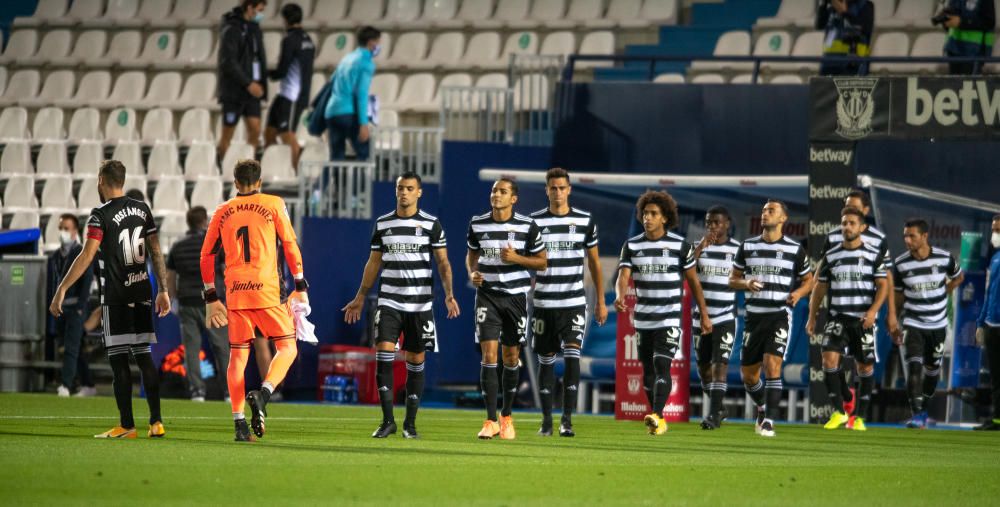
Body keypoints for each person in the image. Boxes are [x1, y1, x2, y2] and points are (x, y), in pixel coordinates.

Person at [49, 160, 171, 439]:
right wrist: (162, 289)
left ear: (102, 181)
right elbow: (155, 251)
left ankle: (127, 426)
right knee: (144, 358)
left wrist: (61, 288)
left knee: (118, 362)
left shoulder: (100, 214)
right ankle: (156, 422)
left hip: (115, 297)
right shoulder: (142, 209)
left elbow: (87, 255)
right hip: (141, 294)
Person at [342, 171, 460, 439]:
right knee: (383, 354)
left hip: (420, 305)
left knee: (415, 360)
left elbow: (443, 262)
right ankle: (387, 421)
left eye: (409, 188)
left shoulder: (431, 224)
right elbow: (374, 262)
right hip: (389, 301)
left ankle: (410, 423)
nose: (403, 192)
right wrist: (360, 297)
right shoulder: (383, 224)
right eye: (400, 188)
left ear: (419, 192)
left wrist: (449, 294)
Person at [200, 159, 309, 442]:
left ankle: (239, 426)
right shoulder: (273, 203)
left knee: (237, 356)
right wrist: (300, 283)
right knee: (287, 348)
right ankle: (264, 393)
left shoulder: (222, 211)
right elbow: (289, 245)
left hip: (236, 293)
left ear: (235, 182)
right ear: (259, 181)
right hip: (268, 290)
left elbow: (207, 255)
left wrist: (211, 296)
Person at [615, 191, 713, 436]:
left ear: (665, 218)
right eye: (645, 213)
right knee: (647, 372)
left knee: (662, 365)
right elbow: (623, 276)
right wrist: (619, 295)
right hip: (643, 318)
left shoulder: (680, 246)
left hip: (669, 317)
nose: (647, 218)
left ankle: (657, 415)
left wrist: (704, 313)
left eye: (653, 214)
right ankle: (658, 418)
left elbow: (694, 282)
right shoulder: (632, 245)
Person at [528, 168, 607, 437]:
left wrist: (601, 301)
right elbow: (526, 261)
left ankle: (567, 420)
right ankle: (547, 419)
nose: (558, 192)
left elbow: (595, 262)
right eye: (553, 188)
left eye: (562, 187)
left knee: (573, 356)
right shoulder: (534, 222)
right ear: (546, 190)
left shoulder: (585, 221)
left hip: (574, 301)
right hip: (543, 303)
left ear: (569, 189)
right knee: (546, 360)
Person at [466, 178, 547, 440]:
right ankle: (490, 420)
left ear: (514, 199)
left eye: (502, 192)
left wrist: (516, 259)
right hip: (487, 296)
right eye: (493, 190)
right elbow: (471, 256)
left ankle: (507, 416)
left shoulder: (527, 226)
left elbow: (542, 262)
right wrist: (473, 273)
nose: (496, 195)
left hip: (515, 298)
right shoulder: (478, 223)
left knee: (511, 357)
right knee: (489, 356)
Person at [729, 200, 813, 438]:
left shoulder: (794, 250)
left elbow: (810, 280)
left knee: (772, 365)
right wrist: (745, 283)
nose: (765, 214)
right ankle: (763, 406)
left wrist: (797, 293)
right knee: (749, 375)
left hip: (779, 314)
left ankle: (769, 421)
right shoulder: (747, 246)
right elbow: (731, 280)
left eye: (771, 211)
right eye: (764, 210)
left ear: (783, 218)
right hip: (754, 318)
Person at [818, 189, 897, 427]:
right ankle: (844, 401)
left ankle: (858, 415)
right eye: (846, 206)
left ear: (865, 212)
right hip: (838, 310)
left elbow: (887, 279)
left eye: (855, 207)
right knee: (831, 359)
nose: (850, 210)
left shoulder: (877, 240)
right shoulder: (833, 238)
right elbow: (821, 274)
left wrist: (890, 314)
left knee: (864, 364)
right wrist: (814, 307)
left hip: (864, 311)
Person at [892, 218, 964, 428]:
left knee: (932, 371)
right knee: (914, 367)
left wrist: (946, 291)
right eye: (905, 235)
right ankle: (918, 414)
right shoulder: (901, 264)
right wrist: (894, 321)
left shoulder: (943, 258)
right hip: (913, 323)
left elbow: (959, 277)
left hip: (938, 325)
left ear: (924, 236)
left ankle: (924, 406)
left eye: (911, 235)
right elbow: (897, 296)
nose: (907, 240)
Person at [166, 207, 230, 402]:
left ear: (188, 222)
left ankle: (197, 391)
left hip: (187, 302)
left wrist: (174, 299)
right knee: (222, 348)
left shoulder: (178, 246)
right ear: (205, 222)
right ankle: (229, 391)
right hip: (212, 301)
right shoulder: (215, 244)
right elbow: (226, 271)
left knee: (191, 349)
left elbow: (170, 277)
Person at [691, 206, 740, 430]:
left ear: (727, 224)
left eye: (717, 222)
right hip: (700, 318)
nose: (712, 226)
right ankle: (719, 407)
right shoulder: (696, 248)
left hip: (725, 316)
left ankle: (712, 416)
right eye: (709, 222)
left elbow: (745, 278)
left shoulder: (739, 250)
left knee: (720, 365)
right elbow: (685, 271)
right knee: (704, 369)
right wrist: (701, 247)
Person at [47, 214, 96, 397]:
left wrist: (81, 306)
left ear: (75, 231)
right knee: (73, 347)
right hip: (61, 307)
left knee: (71, 347)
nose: (63, 233)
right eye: (61, 228)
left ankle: (66, 385)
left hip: (76, 307)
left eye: (66, 229)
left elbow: (88, 279)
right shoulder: (55, 256)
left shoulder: (81, 253)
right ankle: (88, 384)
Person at [265, 3, 315, 168]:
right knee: (269, 132)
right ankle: (273, 166)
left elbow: (282, 70)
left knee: (287, 133)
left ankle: (295, 173)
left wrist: (266, 73)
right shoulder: (309, 41)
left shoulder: (289, 40)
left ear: (285, 20)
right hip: (286, 94)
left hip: (293, 95)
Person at [217, 0, 268, 158]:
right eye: (259, 10)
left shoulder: (255, 29)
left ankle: (247, 166)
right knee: (228, 133)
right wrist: (247, 83)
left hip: (252, 91)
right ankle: (223, 167)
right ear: (250, 7)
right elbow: (228, 62)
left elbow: (258, 58)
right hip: (234, 91)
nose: (261, 14)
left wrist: (260, 84)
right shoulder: (231, 28)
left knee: (255, 130)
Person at [325, 25, 380, 161]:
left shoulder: (346, 58)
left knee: (336, 157)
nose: (379, 46)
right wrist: (363, 123)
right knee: (365, 153)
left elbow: (331, 82)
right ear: (371, 42)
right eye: (378, 42)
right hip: (348, 112)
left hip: (332, 112)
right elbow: (361, 94)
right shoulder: (366, 63)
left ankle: (326, 183)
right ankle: (359, 183)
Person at [974, 215, 1000, 431]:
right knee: (996, 376)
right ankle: (997, 419)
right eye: (994, 230)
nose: (995, 234)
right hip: (992, 324)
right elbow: (989, 291)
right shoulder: (995, 258)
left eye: (998, 230)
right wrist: (981, 322)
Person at [816, 0, 874, 76]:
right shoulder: (830, 8)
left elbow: (865, 28)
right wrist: (824, 5)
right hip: (828, 64)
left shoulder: (865, 5)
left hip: (854, 65)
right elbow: (819, 26)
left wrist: (844, 13)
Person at [936, 0, 995, 75]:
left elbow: (989, 22)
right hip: (953, 48)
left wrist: (962, 22)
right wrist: (945, 20)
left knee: (969, 84)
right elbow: (950, 24)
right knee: (954, 84)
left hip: (974, 51)